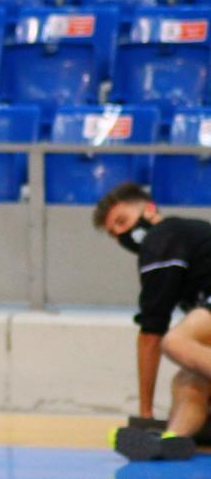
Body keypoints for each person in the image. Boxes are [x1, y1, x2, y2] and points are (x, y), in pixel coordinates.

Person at [98, 182, 211, 461]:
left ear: (149, 210)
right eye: (114, 233)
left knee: (176, 341)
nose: (122, 234)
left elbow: (151, 332)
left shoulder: (161, 238)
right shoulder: (184, 242)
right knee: (188, 380)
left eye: (122, 222)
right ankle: (172, 440)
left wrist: (145, 414)